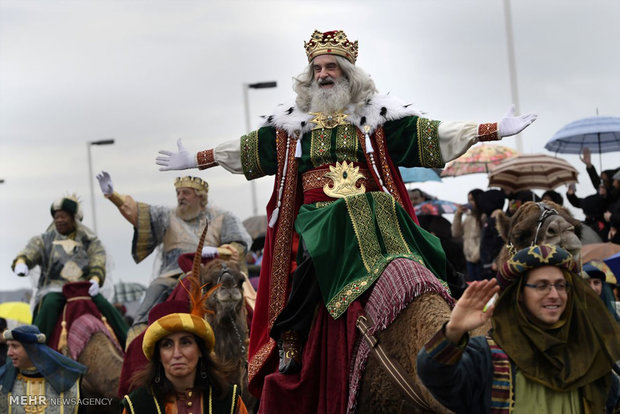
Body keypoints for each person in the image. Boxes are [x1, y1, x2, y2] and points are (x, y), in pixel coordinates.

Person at [155, 29, 536, 409]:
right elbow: (244, 151)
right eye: (317, 68)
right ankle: (292, 340)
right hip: (315, 223)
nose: (323, 74)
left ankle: (448, 293)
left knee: (378, 213)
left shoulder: (376, 119)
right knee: (316, 254)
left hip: (372, 217)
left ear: (348, 73)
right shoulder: (291, 129)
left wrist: (489, 130)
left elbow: (430, 135)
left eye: (331, 67)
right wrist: (196, 159)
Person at [417, 244, 620, 413]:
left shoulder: (588, 355)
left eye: (560, 285)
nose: (554, 295)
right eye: (541, 285)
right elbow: (435, 376)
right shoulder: (487, 356)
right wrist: (453, 330)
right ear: (520, 294)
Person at [96, 172, 252, 332]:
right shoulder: (166, 216)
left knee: (245, 300)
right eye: (178, 193)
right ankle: (139, 335)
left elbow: (238, 244)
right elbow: (140, 213)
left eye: (186, 193)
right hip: (172, 275)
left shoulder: (222, 217)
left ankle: (256, 335)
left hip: (213, 273)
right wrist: (113, 196)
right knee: (153, 291)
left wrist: (219, 251)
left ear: (200, 196)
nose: (180, 197)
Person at [10, 195, 127, 347]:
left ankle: (130, 343)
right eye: (56, 217)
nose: (59, 220)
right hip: (55, 289)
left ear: (74, 218)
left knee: (106, 306)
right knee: (50, 304)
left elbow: (98, 257)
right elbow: (32, 250)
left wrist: (95, 279)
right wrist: (23, 261)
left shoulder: (89, 240)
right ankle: (35, 348)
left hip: (83, 288)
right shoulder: (45, 239)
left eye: (63, 216)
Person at [121, 299, 248, 413]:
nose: (177, 354)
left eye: (185, 342)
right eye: (167, 345)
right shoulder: (138, 406)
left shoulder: (229, 400)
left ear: (200, 351)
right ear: (158, 355)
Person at [0, 325, 87, 413]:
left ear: (32, 349)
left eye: (14, 346)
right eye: (8, 346)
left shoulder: (67, 381)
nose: (9, 353)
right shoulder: (3, 380)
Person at [451, 189, 484, 281]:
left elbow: (483, 240)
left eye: (472, 200)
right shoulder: (468, 218)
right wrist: (458, 214)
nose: (470, 203)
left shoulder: (483, 217)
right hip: (469, 259)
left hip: (480, 259)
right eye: (468, 200)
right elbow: (456, 233)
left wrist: (476, 255)